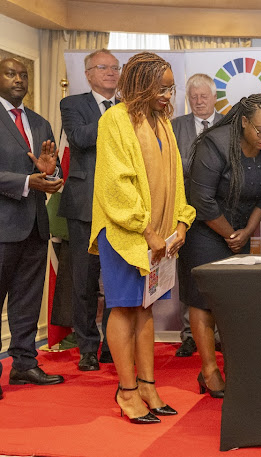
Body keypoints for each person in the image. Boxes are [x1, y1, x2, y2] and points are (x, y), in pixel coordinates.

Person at [89, 52, 195, 423]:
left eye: (170, 88)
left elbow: (176, 179)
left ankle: (148, 384)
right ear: (141, 85)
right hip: (123, 233)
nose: (168, 95)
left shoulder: (161, 121)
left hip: (159, 236)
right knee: (125, 307)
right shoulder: (114, 120)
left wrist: (180, 223)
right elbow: (115, 184)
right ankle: (126, 389)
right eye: (161, 88)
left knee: (146, 307)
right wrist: (147, 231)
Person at [180, 94, 261, 398]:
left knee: (233, 300)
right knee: (203, 300)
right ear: (244, 123)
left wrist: (248, 231)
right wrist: (229, 233)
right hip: (204, 230)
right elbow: (201, 199)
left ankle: (234, 367)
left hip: (240, 230)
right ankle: (209, 371)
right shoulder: (214, 144)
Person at [0, 57, 65, 397]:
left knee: (26, 301)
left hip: (36, 227)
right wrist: (28, 180)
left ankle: (24, 364)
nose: (19, 80)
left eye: (23, 74)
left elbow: (51, 171)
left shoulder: (40, 123)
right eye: (11, 74)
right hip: (2, 228)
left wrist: (50, 175)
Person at [58, 48, 119, 371]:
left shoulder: (127, 108)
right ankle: (86, 347)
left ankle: (112, 343)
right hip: (84, 205)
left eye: (115, 67)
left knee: (115, 281)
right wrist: (113, 118)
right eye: (103, 67)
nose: (111, 72)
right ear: (89, 74)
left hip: (118, 209)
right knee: (84, 282)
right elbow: (80, 138)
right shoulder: (73, 104)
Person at [171, 73, 224, 358]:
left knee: (221, 275)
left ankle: (218, 333)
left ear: (215, 98)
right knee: (188, 275)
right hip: (185, 214)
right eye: (194, 97)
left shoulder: (229, 125)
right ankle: (189, 335)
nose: (199, 101)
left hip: (220, 214)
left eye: (204, 96)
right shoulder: (173, 126)